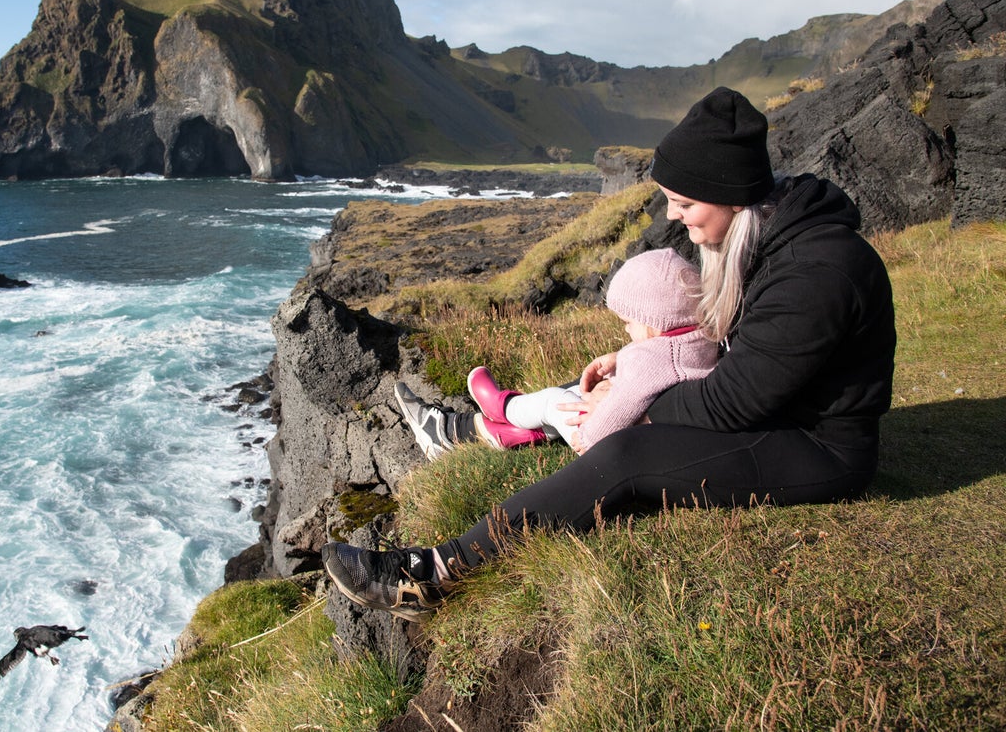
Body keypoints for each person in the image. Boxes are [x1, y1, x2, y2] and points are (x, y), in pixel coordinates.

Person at [322, 86, 896, 622]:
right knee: (609, 411)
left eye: (683, 202)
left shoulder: (814, 274)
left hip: (819, 449)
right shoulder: (770, 237)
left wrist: (634, 407)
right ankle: (474, 429)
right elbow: (744, 357)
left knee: (628, 454)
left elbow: (734, 403)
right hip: (779, 415)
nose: (672, 215)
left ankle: (434, 575)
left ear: (730, 194)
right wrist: (631, 369)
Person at [402, 247, 717, 457]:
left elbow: (622, 407)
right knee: (569, 400)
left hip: (614, 446)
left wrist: (588, 437)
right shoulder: (706, 339)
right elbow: (667, 366)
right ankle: (507, 434)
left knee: (556, 400)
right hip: (661, 440)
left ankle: (504, 407)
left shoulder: (645, 361)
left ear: (655, 322)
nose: (625, 331)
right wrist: (620, 360)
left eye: (628, 322)